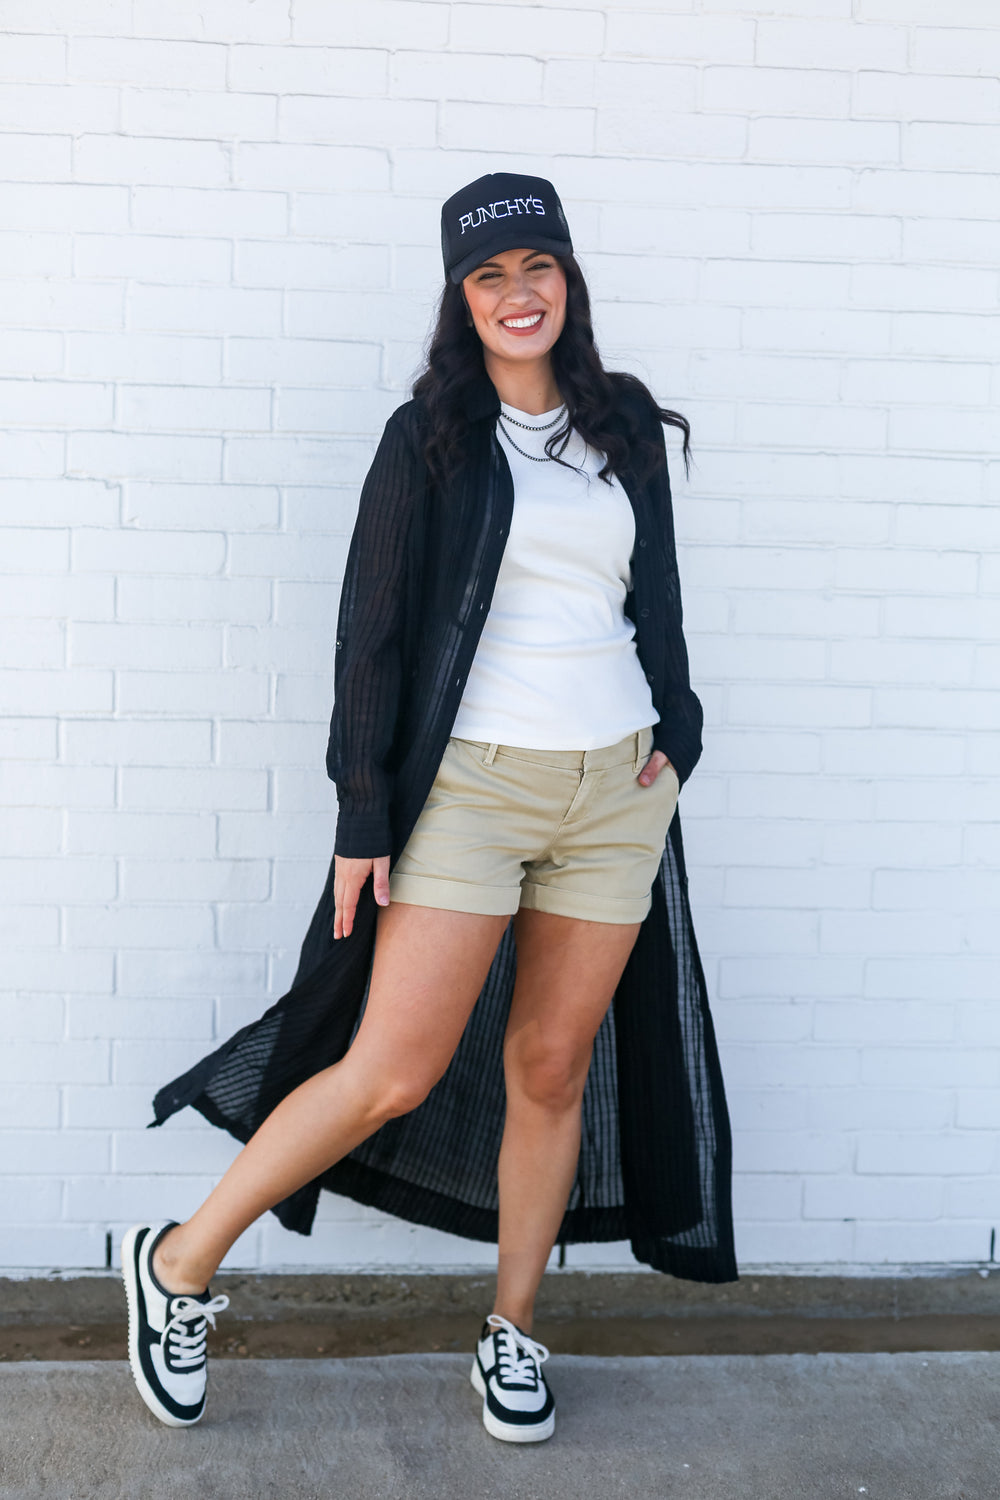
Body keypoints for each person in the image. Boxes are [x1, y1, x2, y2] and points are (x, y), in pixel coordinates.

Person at [122, 171, 736, 1442]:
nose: (518, 294)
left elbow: (657, 596)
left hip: (614, 792)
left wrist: (678, 734)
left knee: (551, 1070)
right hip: (472, 791)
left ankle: (513, 1330)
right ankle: (176, 1263)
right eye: (488, 276)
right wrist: (363, 814)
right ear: (461, 300)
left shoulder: (619, 422)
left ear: (567, 278)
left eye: (536, 267)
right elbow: (372, 635)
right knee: (391, 1070)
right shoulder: (430, 438)